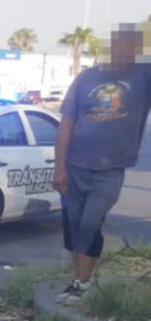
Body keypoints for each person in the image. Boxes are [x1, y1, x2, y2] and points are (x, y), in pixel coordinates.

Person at [53, 23, 151, 305]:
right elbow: (66, 124)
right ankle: (77, 281)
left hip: (110, 169)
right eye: (119, 46)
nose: (123, 52)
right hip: (75, 165)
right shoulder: (85, 79)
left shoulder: (142, 78)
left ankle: (82, 284)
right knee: (75, 227)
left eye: (130, 48)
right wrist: (59, 167)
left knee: (90, 223)